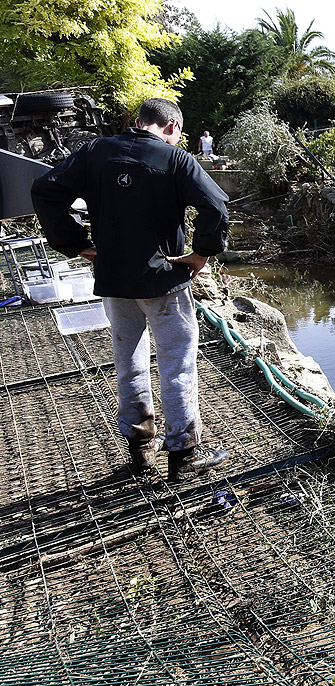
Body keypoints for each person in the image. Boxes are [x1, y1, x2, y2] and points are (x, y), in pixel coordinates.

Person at [32, 97, 230, 483]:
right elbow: (216, 206)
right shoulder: (176, 160)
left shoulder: (95, 151)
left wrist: (78, 245)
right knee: (177, 361)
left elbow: (45, 190)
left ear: (138, 122)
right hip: (163, 279)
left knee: (129, 361)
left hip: (114, 279)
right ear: (172, 127)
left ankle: (140, 450)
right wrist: (202, 253)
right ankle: (184, 451)